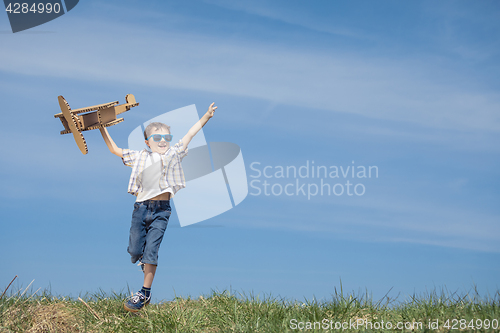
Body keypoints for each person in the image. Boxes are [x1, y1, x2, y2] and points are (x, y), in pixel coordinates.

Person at [99, 102, 217, 312]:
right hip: (140, 209)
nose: (163, 141)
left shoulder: (173, 154)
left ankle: (144, 293)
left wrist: (206, 117)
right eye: (157, 137)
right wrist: (101, 127)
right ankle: (141, 259)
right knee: (135, 250)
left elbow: (190, 134)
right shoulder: (139, 156)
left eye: (166, 137)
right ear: (147, 141)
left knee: (151, 252)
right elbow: (114, 149)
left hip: (162, 211)